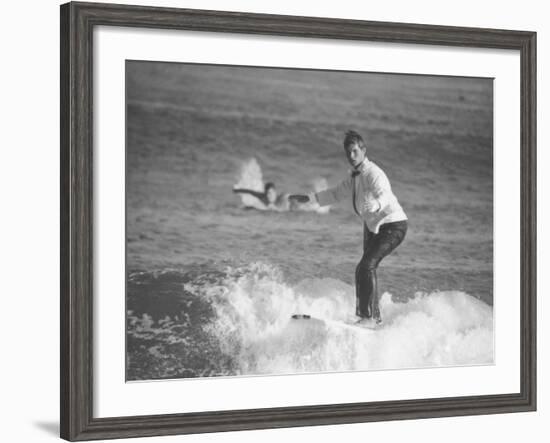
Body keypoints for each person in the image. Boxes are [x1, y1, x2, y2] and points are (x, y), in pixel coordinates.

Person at [289, 130, 408, 324]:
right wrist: (310, 198)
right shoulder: (354, 177)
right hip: (372, 226)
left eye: (354, 151)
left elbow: (384, 193)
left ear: (363, 150)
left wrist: (377, 204)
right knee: (365, 268)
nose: (351, 156)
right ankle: (373, 317)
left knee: (365, 267)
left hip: (393, 225)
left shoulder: (373, 173)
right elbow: (335, 194)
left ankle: (366, 317)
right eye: (348, 153)